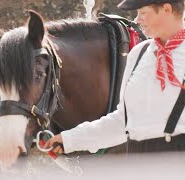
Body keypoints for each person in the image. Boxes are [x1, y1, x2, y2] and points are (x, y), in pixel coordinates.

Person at [43, 0, 185, 154]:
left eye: (143, 13)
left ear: (166, 9)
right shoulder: (139, 54)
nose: (137, 20)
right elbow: (123, 122)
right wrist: (70, 139)